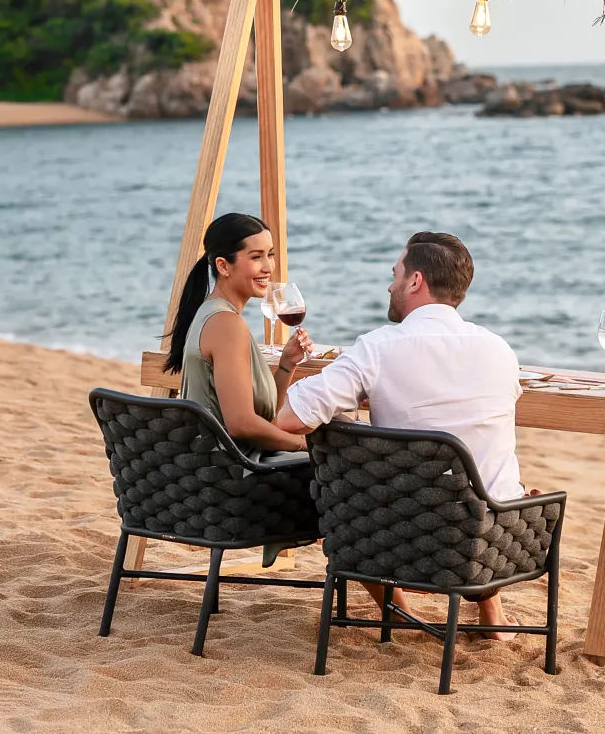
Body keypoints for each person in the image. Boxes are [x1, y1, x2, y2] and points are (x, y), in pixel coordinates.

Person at [276, 230, 530, 636]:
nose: (390, 284)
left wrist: (345, 404)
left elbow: (290, 420)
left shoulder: (377, 348)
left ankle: (396, 610)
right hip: (492, 542)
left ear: (415, 281)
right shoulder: (500, 349)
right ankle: (492, 617)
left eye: (395, 274)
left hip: (390, 539)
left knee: (355, 480)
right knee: (486, 473)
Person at [164, 212, 313, 454]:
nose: (268, 267)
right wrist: (306, 446)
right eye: (256, 257)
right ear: (223, 266)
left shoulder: (213, 312)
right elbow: (242, 425)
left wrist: (287, 364)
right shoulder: (226, 324)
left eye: (270, 254)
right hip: (229, 473)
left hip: (216, 464)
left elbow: (259, 417)